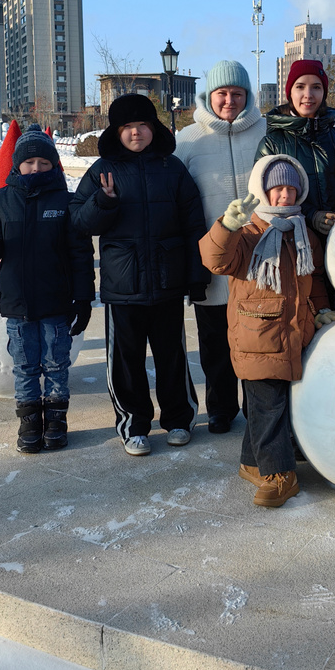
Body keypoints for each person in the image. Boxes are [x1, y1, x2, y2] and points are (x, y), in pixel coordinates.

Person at [70, 95, 208, 457]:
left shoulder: (172, 168)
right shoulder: (103, 170)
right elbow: (78, 222)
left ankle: (179, 419)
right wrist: (104, 201)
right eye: (128, 127)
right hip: (123, 285)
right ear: (117, 132)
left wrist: (196, 274)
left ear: (154, 128)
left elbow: (194, 224)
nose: (136, 133)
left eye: (142, 125)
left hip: (166, 281)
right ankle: (134, 425)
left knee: (172, 357)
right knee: (126, 362)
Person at [199, 155, 333, 508]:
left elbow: (314, 278)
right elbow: (216, 260)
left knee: (269, 405)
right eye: (277, 189)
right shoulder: (248, 232)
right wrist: (227, 225)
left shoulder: (304, 234)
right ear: (263, 190)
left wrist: (320, 312)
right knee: (269, 405)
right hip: (257, 334)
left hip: (294, 333)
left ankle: (251, 461)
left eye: (291, 188)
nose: (285, 196)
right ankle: (280, 475)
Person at [0, 124, 95, 454]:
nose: (36, 168)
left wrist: (83, 297)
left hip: (56, 301)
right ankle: (29, 422)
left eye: (43, 162)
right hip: (18, 301)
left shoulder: (67, 202)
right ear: (17, 165)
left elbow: (80, 253)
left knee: (55, 364)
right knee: (24, 367)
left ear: (53, 165)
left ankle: (55, 420)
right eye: (29, 162)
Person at [174, 60, 266, 434]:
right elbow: (175, 198)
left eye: (237, 93)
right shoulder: (188, 139)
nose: (229, 100)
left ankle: (260, 406)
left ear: (247, 96)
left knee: (260, 337)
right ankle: (220, 408)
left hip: (260, 255)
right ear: (208, 97)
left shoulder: (266, 132)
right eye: (222, 93)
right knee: (214, 340)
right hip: (210, 255)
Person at [256, 59, 335, 239]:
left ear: (324, 93)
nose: (308, 94)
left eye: (316, 87)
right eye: (300, 87)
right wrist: (311, 216)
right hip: (295, 243)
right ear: (290, 92)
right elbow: (264, 200)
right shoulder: (272, 143)